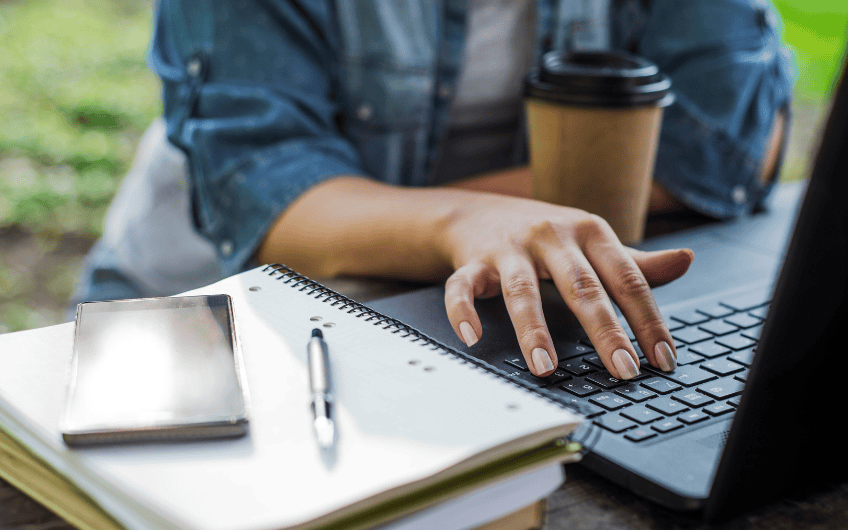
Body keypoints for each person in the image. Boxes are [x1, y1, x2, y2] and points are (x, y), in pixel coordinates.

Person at [74, 0, 795, 382]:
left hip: (478, 307)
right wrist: (470, 223)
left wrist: (507, 230)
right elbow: (267, 187)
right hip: (207, 306)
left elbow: (728, 143)